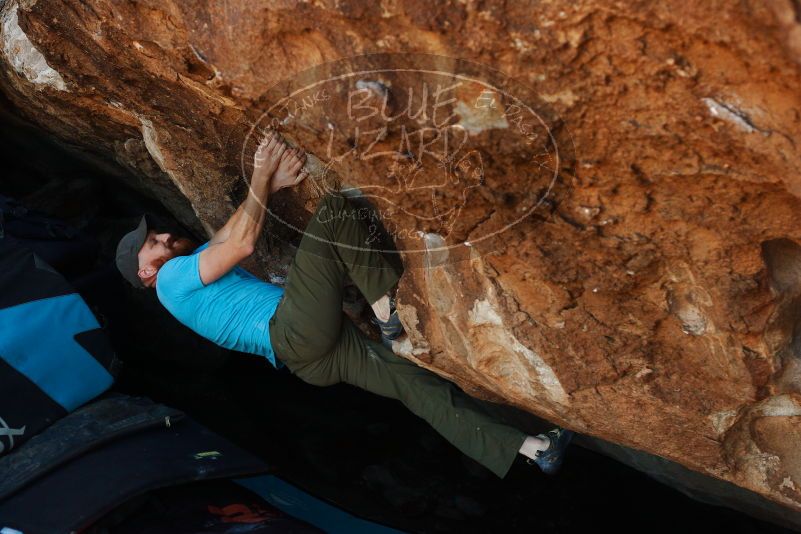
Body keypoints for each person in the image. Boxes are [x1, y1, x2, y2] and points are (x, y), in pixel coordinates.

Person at [115, 131, 574, 478]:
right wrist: (260, 169)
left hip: (308, 360)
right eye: (151, 245)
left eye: (157, 232)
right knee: (335, 211)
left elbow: (226, 237)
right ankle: (386, 311)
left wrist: (271, 185)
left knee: (415, 385)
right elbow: (239, 246)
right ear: (145, 273)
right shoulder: (170, 281)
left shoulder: (185, 268)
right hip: (293, 331)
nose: (163, 238)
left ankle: (534, 449)